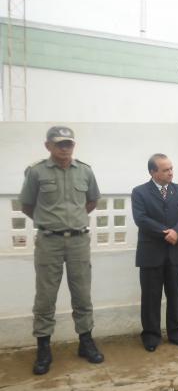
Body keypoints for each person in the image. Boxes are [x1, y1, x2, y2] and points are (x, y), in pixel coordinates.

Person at [19, 126, 104, 375]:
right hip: (49, 242)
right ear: (48, 146)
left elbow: (91, 201)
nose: (65, 148)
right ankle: (43, 346)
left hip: (78, 241)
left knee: (82, 293)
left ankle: (86, 341)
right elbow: (27, 205)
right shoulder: (36, 172)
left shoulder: (85, 171)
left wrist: (72, 221)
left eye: (69, 144)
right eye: (60, 144)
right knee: (45, 296)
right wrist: (51, 222)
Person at [132, 154, 178, 352]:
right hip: (151, 253)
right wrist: (166, 232)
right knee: (151, 297)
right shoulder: (140, 192)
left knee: (175, 295)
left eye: (171, 168)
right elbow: (140, 218)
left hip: (175, 253)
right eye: (165, 170)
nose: (171, 172)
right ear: (153, 172)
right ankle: (151, 335)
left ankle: (175, 332)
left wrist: (177, 231)